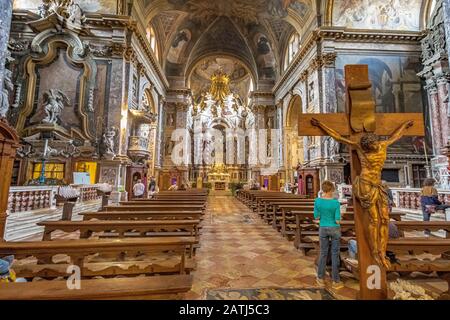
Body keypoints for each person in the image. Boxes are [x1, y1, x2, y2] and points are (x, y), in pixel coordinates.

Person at [314, 180, 343, 290]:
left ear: (323, 189)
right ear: (331, 190)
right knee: (335, 254)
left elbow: (316, 217)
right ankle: (336, 280)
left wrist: (323, 216)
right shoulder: (336, 203)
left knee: (323, 253)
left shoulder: (317, 201)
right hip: (334, 228)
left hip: (323, 228)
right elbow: (337, 220)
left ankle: (320, 278)